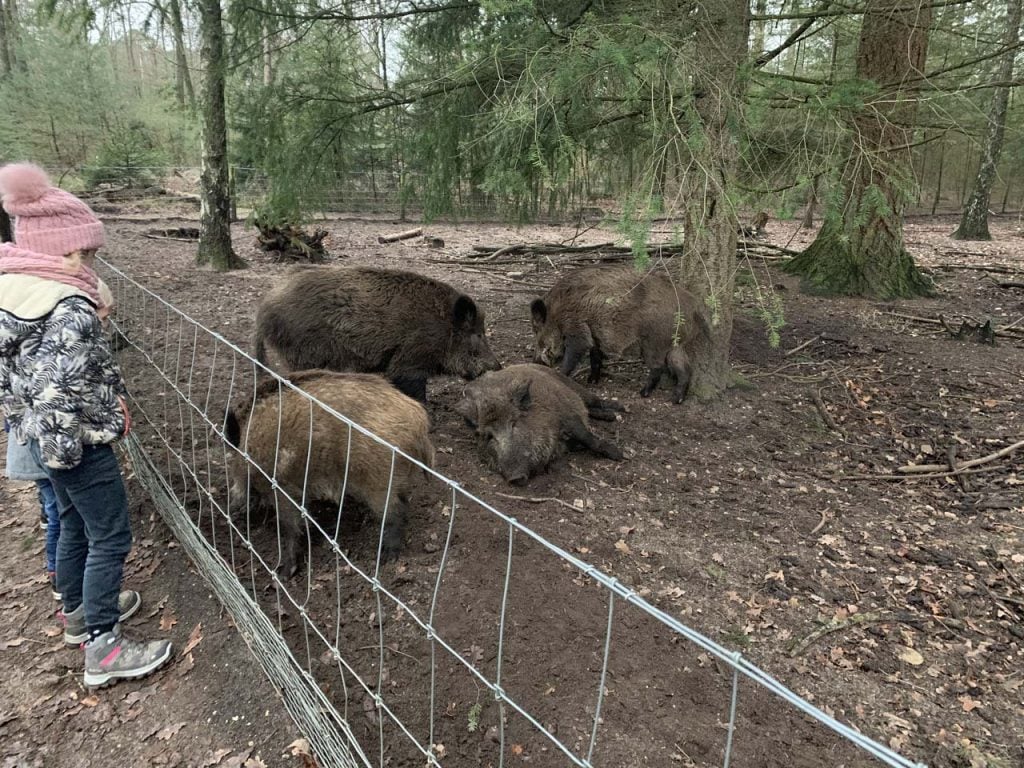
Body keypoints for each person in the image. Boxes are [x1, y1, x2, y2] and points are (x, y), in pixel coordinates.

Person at [0, 162, 172, 688]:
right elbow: (58, 394)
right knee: (111, 535)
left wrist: (36, 438)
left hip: (37, 436)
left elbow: (19, 383)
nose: (92, 263)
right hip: (78, 446)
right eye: (88, 253)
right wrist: (67, 454)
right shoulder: (69, 307)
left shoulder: (11, 295)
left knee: (73, 524)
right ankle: (104, 646)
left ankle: (77, 613)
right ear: (66, 249)